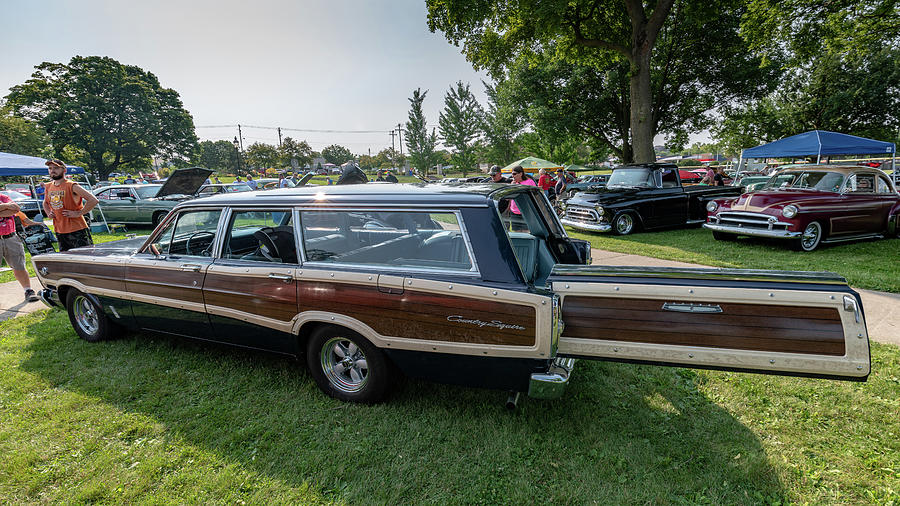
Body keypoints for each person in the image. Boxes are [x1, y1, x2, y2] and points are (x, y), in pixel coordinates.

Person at [42, 159, 98, 252]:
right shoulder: (48, 186)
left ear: (64, 170)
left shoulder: (71, 185)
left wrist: (79, 213)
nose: (52, 170)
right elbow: (45, 202)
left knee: (85, 257)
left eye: (56, 168)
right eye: (50, 168)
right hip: (59, 230)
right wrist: (49, 213)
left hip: (76, 229)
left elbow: (93, 200)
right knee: (67, 260)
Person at [0, 193, 40, 302]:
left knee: (19, 266)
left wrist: (4, 207)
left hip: (11, 237)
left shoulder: (2, 197)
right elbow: (10, 209)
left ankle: (28, 290)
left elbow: (16, 209)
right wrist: (6, 207)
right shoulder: (5, 201)